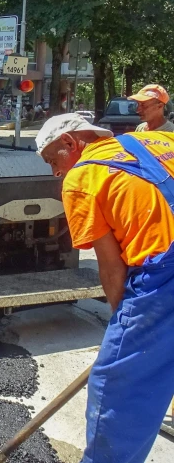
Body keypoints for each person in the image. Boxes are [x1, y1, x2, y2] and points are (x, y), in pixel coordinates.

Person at [36, 113, 174, 463]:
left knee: (118, 385)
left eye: (53, 160)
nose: (55, 172)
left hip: (165, 277)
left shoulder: (82, 177)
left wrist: (124, 328)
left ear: (70, 143)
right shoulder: (157, 141)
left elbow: (112, 268)